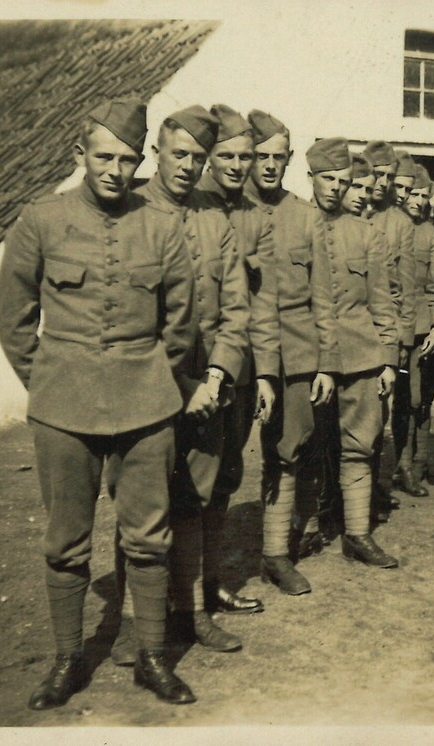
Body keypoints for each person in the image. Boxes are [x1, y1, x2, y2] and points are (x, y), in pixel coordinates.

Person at [0, 98, 198, 708]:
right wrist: (49, 380)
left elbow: (181, 322)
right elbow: (13, 317)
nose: (115, 170)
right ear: (79, 154)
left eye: (128, 160)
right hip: (64, 406)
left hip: (146, 406)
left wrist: (155, 379)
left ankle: (152, 658)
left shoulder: (161, 225)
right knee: (65, 541)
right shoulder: (41, 220)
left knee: (149, 538)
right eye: (104, 157)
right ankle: (67, 660)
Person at [129, 106, 251, 656]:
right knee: (141, 505)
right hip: (145, 388)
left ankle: (193, 614)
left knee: (196, 500)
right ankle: (139, 622)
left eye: (198, 158)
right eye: (179, 154)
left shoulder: (215, 219)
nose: (188, 166)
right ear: (157, 153)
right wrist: (179, 386)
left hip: (208, 388)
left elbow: (236, 309)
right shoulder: (130, 211)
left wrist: (218, 373)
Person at [244, 109, 340, 595]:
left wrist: (327, 363)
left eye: (277, 157)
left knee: (289, 448)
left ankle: (276, 554)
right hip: (238, 353)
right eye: (260, 156)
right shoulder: (229, 211)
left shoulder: (306, 216)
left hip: (296, 352)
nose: (268, 165)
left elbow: (323, 296)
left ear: (289, 160)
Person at [196, 105, 281, 606]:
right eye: (226, 155)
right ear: (209, 156)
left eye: (245, 157)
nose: (237, 165)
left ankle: (209, 584)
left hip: (242, 371)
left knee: (226, 476)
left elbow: (264, 301)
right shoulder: (188, 205)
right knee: (188, 483)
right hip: (192, 373)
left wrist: (266, 373)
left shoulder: (255, 216)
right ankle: (177, 596)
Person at [307, 137, 401, 568]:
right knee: (306, 444)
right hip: (310, 357)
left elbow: (382, 301)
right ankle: (308, 527)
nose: (338, 189)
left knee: (360, 444)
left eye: (343, 181)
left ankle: (358, 534)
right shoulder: (299, 226)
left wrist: (389, 360)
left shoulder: (367, 235)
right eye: (328, 180)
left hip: (362, 355)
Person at [362, 141, 409, 521]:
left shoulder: (399, 223)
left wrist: (399, 342)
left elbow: (403, 289)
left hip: (379, 334)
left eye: (388, 177)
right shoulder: (343, 209)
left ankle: (371, 490)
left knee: (376, 417)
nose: (381, 183)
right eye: (376, 175)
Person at [391, 164, 434, 497]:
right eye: (412, 193)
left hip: (421, 328)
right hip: (393, 325)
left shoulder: (430, 234)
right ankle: (403, 465)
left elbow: (433, 285)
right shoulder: (387, 226)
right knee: (400, 400)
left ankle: (417, 463)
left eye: (424, 195)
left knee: (420, 398)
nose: (418, 201)